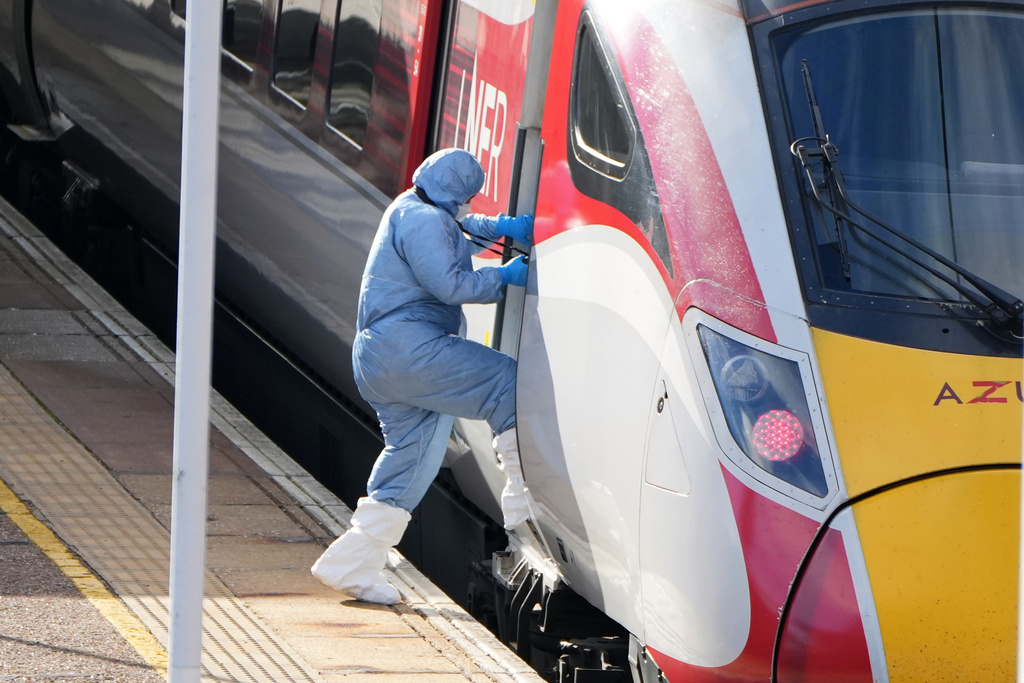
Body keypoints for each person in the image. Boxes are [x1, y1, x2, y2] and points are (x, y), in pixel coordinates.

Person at [311, 148, 534, 605]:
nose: (469, 205)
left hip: (381, 360)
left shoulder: (410, 206)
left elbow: (459, 231)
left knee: (409, 465)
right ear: (455, 193)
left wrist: (503, 228)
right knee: (505, 385)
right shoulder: (427, 220)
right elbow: (451, 284)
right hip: (411, 350)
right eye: (467, 197)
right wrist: (507, 277)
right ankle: (523, 503)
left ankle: (351, 563)